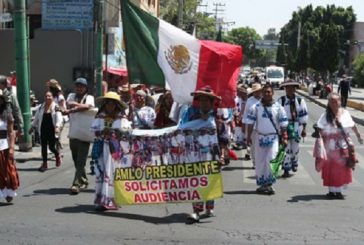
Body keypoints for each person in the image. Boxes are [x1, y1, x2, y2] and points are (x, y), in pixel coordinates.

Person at [179, 85, 222, 223]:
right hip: (194, 153)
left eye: (207, 100)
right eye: (201, 100)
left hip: (211, 154)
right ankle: (196, 210)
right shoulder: (190, 113)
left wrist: (222, 154)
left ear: (211, 102)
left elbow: (222, 136)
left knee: (210, 180)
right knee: (196, 181)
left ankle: (209, 207)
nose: (204, 103)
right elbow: (182, 129)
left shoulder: (216, 116)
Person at [313, 92, 363, 199]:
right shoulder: (325, 115)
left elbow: (352, 125)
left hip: (343, 145)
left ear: (340, 101)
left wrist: (359, 135)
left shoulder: (345, 113)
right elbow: (319, 127)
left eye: (336, 101)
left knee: (341, 168)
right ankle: (331, 191)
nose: (334, 103)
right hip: (329, 147)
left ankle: (339, 191)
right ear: (329, 103)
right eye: (331, 101)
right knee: (330, 168)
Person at [91, 91, 131, 211]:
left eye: (112, 104)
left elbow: (127, 131)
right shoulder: (100, 115)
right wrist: (102, 132)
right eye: (107, 103)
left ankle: (111, 200)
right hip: (102, 147)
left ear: (116, 105)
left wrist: (115, 132)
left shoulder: (121, 117)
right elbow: (93, 130)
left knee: (113, 174)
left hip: (115, 150)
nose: (109, 106)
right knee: (101, 173)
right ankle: (101, 200)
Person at [246, 84, 288, 195]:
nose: (266, 94)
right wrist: (248, 137)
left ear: (272, 93)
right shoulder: (256, 107)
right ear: (262, 93)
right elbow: (250, 123)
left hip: (273, 137)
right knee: (260, 162)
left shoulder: (279, 107)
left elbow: (283, 124)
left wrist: (284, 137)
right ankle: (262, 184)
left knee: (271, 159)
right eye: (265, 92)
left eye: (269, 92)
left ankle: (269, 184)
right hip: (259, 137)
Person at [64, 78, 95, 194]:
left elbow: (88, 107)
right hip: (73, 133)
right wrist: (75, 106)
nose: (79, 88)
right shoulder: (71, 95)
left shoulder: (90, 97)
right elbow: (68, 104)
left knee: (81, 161)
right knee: (76, 161)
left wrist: (74, 107)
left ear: (86, 88)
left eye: (81, 86)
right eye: (77, 86)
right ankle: (84, 180)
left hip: (85, 134)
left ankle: (75, 184)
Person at [277, 79, 308, 177]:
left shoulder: (300, 101)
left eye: (292, 88)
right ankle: (286, 169)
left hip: (296, 126)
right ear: (285, 89)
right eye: (287, 88)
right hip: (284, 126)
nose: (289, 90)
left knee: (294, 148)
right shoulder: (281, 101)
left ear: (295, 89)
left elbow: (304, 115)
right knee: (286, 148)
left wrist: (304, 128)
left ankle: (294, 161)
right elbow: (277, 115)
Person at [30, 91, 63, 172]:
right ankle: (45, 163)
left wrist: (58, 126)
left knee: (52, 147)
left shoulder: (56, 107)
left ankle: (57, 155)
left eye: (49, 96)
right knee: (44, 147)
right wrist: (32, 127)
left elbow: (59, 118)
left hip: (52, 130)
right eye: (46, 96)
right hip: (43, 129)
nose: (47, 97)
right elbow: (36, 118)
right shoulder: (41, 107)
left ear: (52, 97)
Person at [0, 89, 19, 203]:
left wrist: (11, 148)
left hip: (3, 146)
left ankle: (8, 191)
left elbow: (11, 133)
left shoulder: (8, 115)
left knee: (6, 170)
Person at [242, 83, 262, 166]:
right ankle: (254, 162)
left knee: (261, 146)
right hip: (252, 127)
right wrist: (244, 125)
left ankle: (260, 161)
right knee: (253, 146)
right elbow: (245, 114)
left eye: (259, 91)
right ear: (253, 92)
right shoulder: (249, 101)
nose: (257, 93)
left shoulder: (264, 99)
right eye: (255, 91)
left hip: (262, 127)